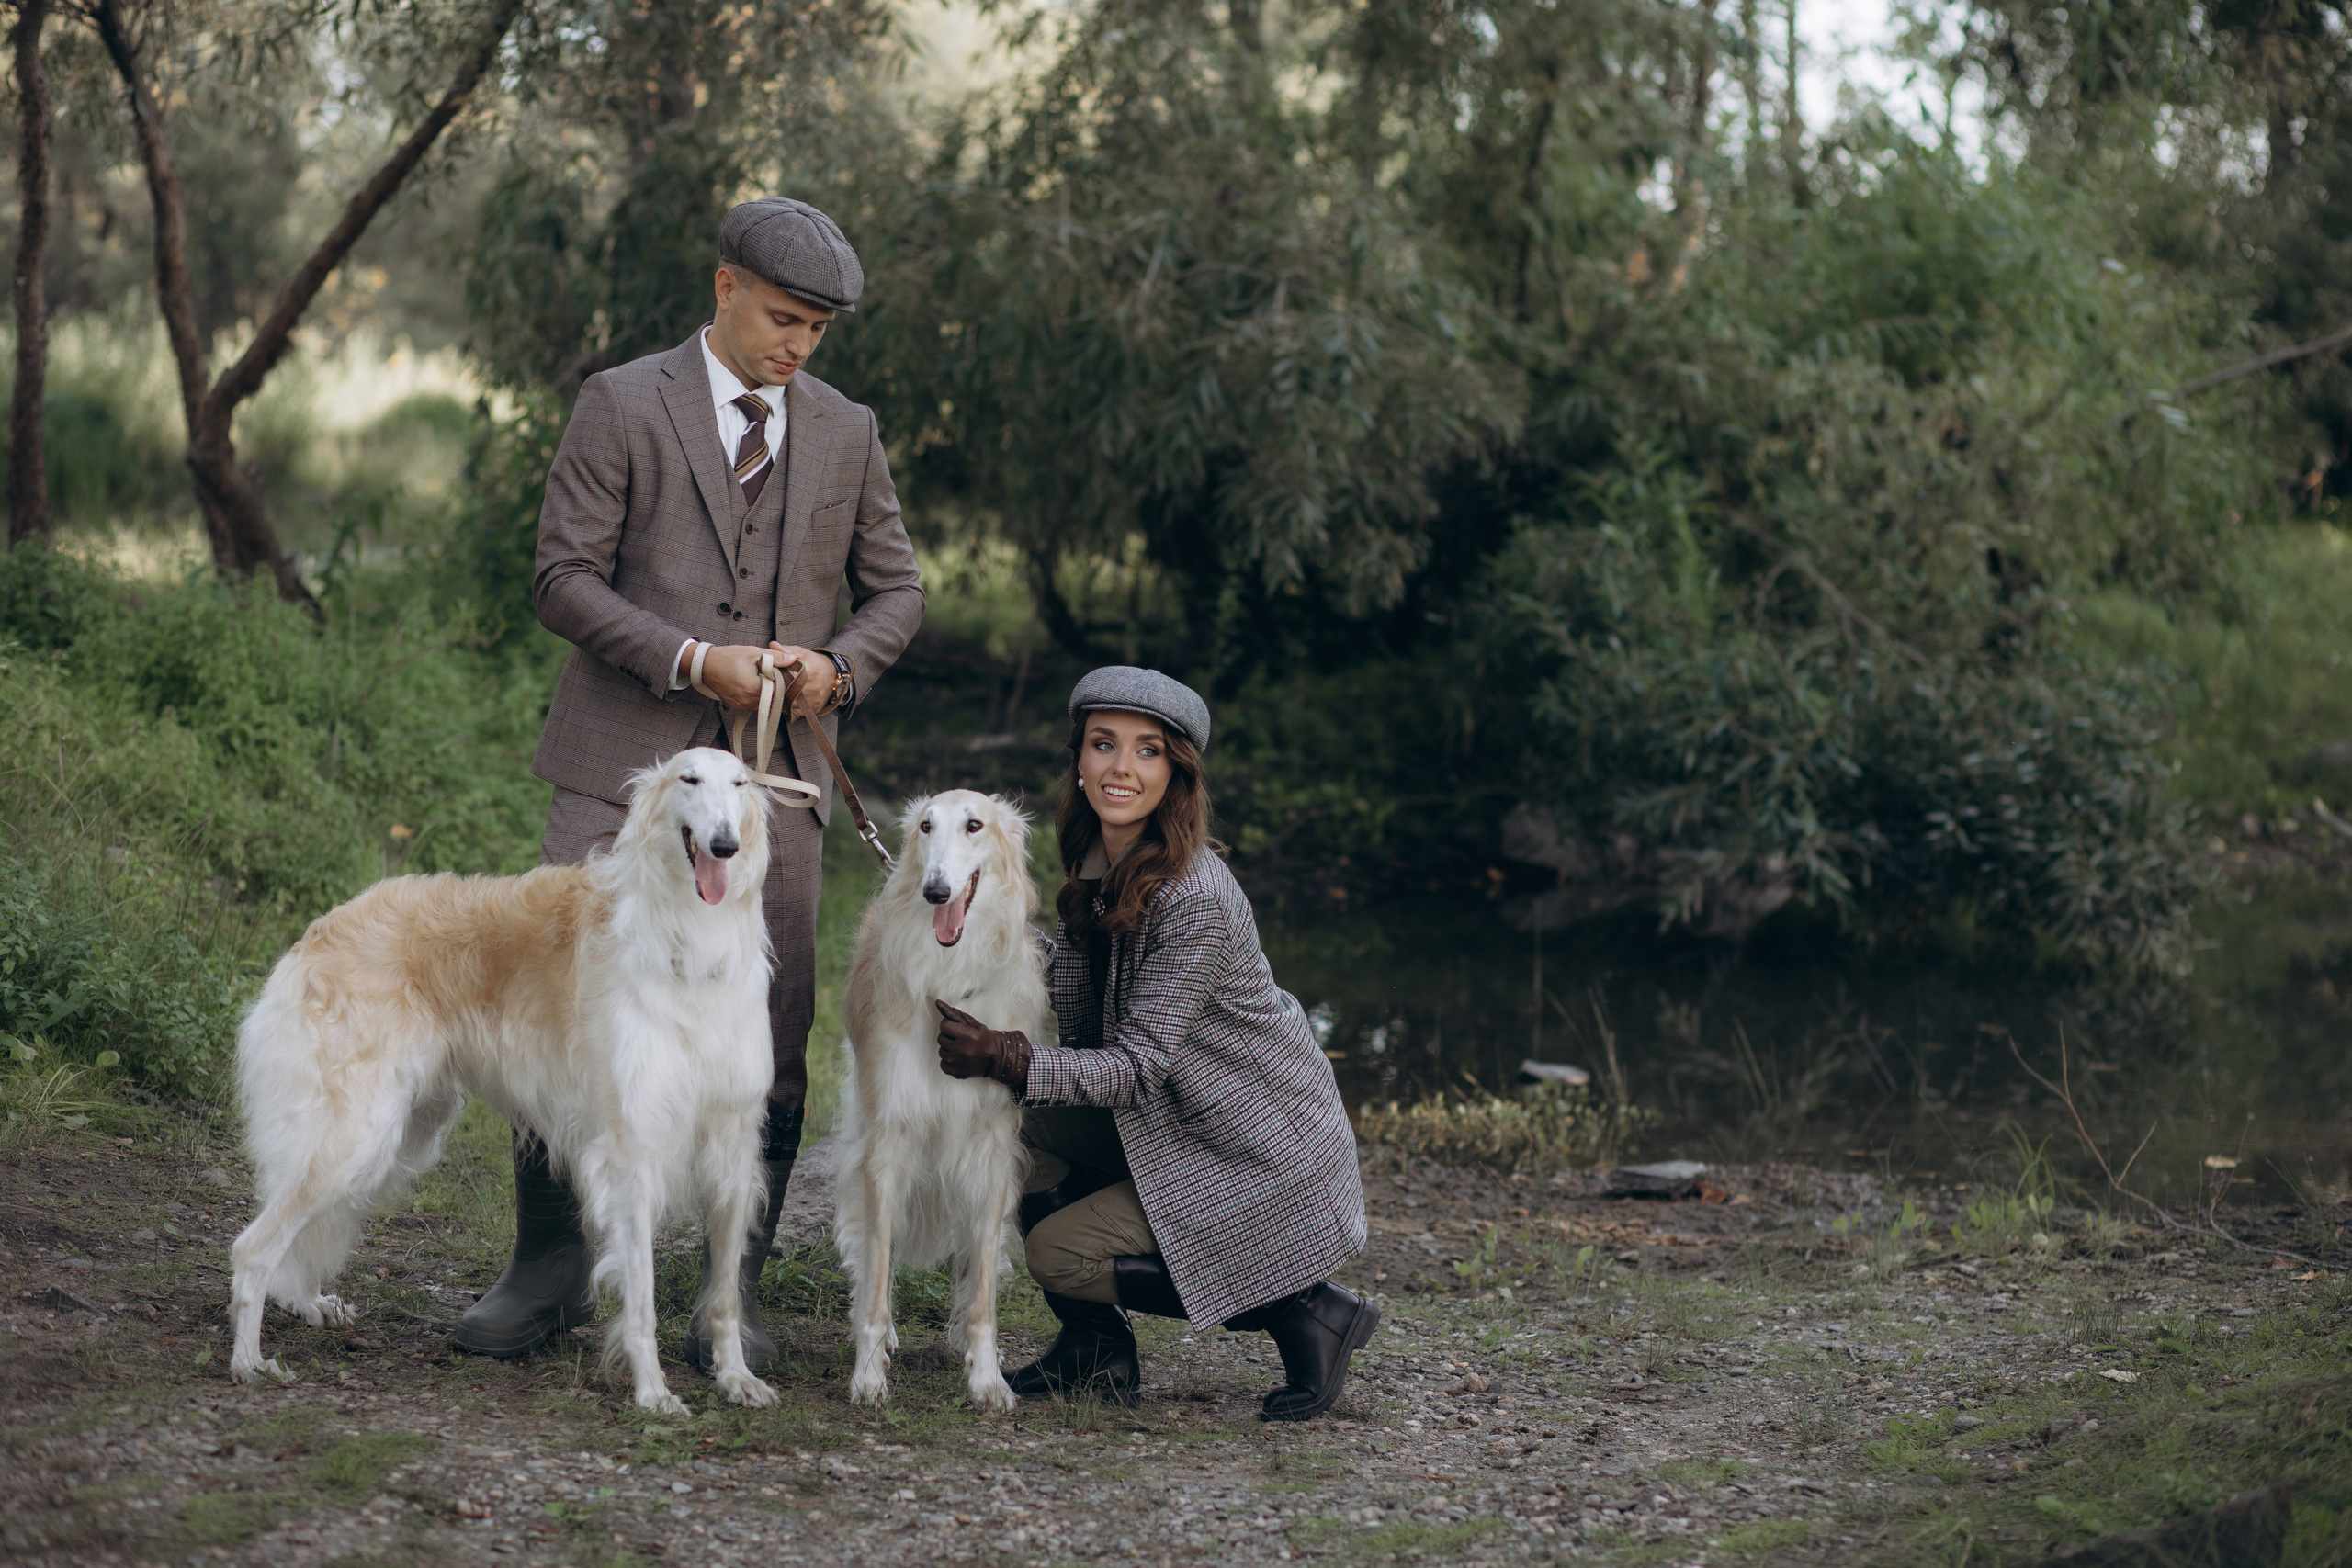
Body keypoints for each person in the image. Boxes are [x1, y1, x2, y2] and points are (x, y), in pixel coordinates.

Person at [456, 197, 924, 1371]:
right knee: (573, 1005)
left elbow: (898, 592)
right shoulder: (622, 401)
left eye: (818, 329)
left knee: (772, 1018)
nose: (798, 345)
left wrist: (836, 668)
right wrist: (687, 657)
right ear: (725, 288)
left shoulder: (848, 430)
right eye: (782, 319)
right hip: (617, 773)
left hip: (777, 791)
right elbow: (561, 576)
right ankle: (549, 1270)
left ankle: (730, 1288)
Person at [933, 667, 1378, 1421]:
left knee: (1058, 1252)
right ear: (1079, 758)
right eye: (1103, 744)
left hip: (1252, 1151)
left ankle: (1305, 1307)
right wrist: (990, 927)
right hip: (1176, 1119)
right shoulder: (1101, 861)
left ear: (1176, 774)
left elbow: (1136, 1067)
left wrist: (1009, 1054)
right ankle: (1096, 1350)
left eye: (1148, 751)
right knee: (1008, 1121)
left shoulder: (1194, 897)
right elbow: (1089, 987)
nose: (1121, 767)